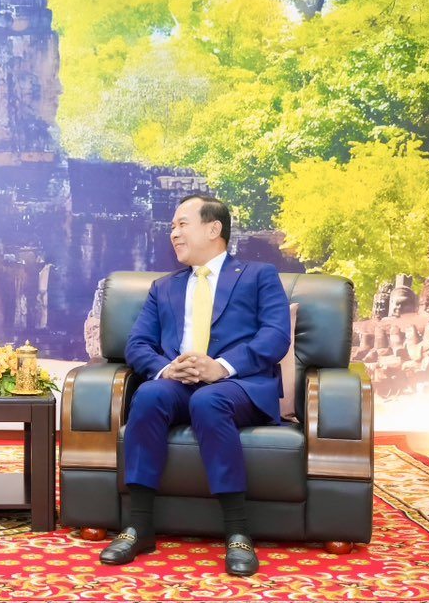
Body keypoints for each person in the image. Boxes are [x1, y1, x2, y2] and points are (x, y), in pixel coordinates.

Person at [99, 194, 290, 577]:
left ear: (214, 228)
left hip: (238, 384)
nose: (174, 233)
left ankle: (237, 532)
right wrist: (167, 369)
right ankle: (139, 526)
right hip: (178, 382)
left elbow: (275, 336)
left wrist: (220, 367)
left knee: (209, 401)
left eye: (182, 224)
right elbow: (137, 344)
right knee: (148, 395)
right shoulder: (164, 287)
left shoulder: (258, 276)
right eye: (172, 227)